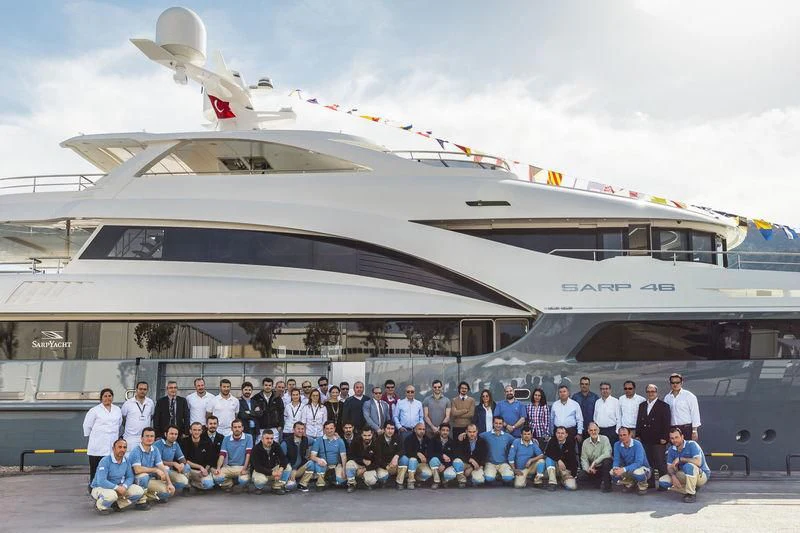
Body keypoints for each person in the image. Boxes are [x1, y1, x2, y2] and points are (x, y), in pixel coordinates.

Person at [89, 438, 147, 514]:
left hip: (119, 487)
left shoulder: (126, 460)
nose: (122, 449)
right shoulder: (105, 461)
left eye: (124, 447)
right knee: (111, 495)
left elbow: (130, 477)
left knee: (139, 491)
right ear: (113, 448)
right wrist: (117, 488)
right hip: (101, 488)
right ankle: (101, 506)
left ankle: (117, 504)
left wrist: (125, 486)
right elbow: (101, 481)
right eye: (119, 447)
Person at [658, 427, 711, 503]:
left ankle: (691, 494)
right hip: (684, 473)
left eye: (676, 437)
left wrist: (681, 459)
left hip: (701, 474)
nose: (674, 440)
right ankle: (691, 488)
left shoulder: (692, 444)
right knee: (663, 481)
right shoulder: (671, 449)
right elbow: (669, 467)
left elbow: (698, 462)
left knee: (688, 466)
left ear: (682, 437)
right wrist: (673, 476)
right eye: (672, 438)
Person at [83, 387, 123, 487]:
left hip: (111, 444)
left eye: (110, 396)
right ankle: (93, 486)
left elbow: (119, 423)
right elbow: (87, 425)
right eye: (105, 396)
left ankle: (108, 487)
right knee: (95, 469)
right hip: (97, 445)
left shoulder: (117, 409)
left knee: (109, 468)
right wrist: (94, 436)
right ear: (101, 398)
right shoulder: (94, 410)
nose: (107, 398)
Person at [636, 383, 671, 486]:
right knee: (648, 462)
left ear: (657, 392)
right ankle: (650, 483)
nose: (651, 393)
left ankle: (663, 484)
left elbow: (666, 423)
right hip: (645, 438)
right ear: (646, 393)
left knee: (660, 462)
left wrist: (665, 437)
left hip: (658, 439)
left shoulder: (663, 406)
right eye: (649, 391)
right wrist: (638, 435)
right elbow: (639, 421)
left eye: (653, 391)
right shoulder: (642, 405)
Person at [129, 427, 176, 504]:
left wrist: (169, 483)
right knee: (144, 476)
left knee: (167, 492)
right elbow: (137, 470)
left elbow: (161, 466)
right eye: (147, 436)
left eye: (152, 436)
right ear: (142, 438)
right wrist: (155, 470)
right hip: (135, 480)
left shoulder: (155, 449)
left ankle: (147, 495)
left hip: (150, 479)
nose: (149, 438)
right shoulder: (136, 450)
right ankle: (140, 501)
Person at [301, 420, 348, 490]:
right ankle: (320, 483)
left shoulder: (340, 441)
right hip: (323, 465)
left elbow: (343, 457)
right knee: (315, 464)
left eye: (331, 428)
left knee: (341, 480)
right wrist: (318, 460)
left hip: (335, 466)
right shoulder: (319, 440)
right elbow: (312, 456)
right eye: (327, 429)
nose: (329, 431)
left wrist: (344, 470)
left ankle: (330, 480)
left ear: (335, 429)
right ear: (324, 430)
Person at [213, 419, 253, 491]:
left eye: (239, 427)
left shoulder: (248, 437)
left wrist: (245, 468)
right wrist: (218, 468)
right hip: (229, 467)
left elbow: (248, 455)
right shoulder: (226, 439)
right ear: (231, 428)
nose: (237, 429)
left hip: (242, 467)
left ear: (242, 428)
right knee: (217, 477)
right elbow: (222, 455)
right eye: (235, 427)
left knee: (243, 480)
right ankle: (229, 484)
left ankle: (243, 484)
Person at [611, 426, 651, 495]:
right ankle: (630, 482)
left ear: (630, 435)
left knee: (638, 472)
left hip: (642, 468)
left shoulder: (637, 444)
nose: (622, 437)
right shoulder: (617, 444)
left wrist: (623, 469)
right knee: (612, 472)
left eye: (624, 435)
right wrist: (615, 467)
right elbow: (616, 459)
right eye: (620, 435)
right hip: (628, 468)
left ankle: (642, 486)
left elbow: (639, 463)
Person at [663, 373, 701, 442]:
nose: (675, 384)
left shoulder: (689, 396)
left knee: (687, 450)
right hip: (673, 430)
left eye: (677, 382)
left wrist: (694, 430)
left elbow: (694, 413)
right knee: (675, 450)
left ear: (681, 383)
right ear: (670, 383)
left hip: (686, 429)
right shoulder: (667, 397)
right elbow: (666, 415)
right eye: (673, 382)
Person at [153, 425, 190, 493]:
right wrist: (173, 463)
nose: (174, 436)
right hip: (158, 470)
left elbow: (182, 459)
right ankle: (162, 489)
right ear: (166, 434)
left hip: (170, 470)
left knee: (186, 467)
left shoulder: (175, 444)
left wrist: (181, 464)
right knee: (165, 468)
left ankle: (173, 486)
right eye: (171, 433)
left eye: (176, 434)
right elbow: (158, 462)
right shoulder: (158, 444)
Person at [398, 422, 435, 490]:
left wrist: (426, 457)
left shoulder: (427, 439)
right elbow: (406, 452)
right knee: (413, 460)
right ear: (415, 430)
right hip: (410, 463)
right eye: (419, 429)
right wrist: (417, 454)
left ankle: (416, 479)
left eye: (423, 429)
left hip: (421, 463)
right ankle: (410, 482)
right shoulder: (409, 438)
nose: (422, 431)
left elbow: (431, 452)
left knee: (427, 474)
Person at [539, 426, 578, 491]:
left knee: (572, 487)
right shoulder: (552, 441)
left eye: (562, 433)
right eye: (558, 433)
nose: (560, 435)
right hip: (555, 467)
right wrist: (559, 460)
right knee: (549, 459)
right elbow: (547, 453)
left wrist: (573, 474)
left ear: (566, 435)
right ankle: (552, 482)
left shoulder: (571, 442)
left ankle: (563, 480)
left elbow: (574, 459)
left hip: (566, 469)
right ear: (556, 434)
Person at [577, 422, 612, 492]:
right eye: (591, 430)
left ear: (598, 430)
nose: (593, 432)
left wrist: (595, 462)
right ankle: (596, 482)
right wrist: (588, 469)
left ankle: (607, 486)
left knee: (607, 461)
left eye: (595, 430)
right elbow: (584, 459)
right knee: (581, 475)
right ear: (588, 431)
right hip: (592, 469)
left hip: (603, 467)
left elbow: (607, 453)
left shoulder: (605, 439)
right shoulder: (585, 442)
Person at [180, 422, 215, 491]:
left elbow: (210, 460)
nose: (197, 432)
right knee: (185, 466)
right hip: (190, 470)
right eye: (194, 430)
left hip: (201, 471)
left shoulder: (207, 442)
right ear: (190, 431)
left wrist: (205, 470)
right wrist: (200, 467)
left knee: (209, 484)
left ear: (202, 431)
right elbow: (184, 460)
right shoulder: (184, 441)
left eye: (199, 430)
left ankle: (193, 483)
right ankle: (186, 485)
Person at [121, 381, 155, 452]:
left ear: (147, 390)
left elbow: (151, 416)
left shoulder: (150, 402)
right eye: (140, 389)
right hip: (130, 437)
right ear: (136, 390)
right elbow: (122, 418)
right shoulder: (128, 403)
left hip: (145, 438)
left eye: (145, 389)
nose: (142, 391)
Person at [480, 416, 515, 485]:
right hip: (490, 463)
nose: (498, 425)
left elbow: (518, 441)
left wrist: (531, 439)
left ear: (502, 425)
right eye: (496, 423)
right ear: (493, 423)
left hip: (503, 463)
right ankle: (494, 475)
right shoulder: (486, 435)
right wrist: (464, 434)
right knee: (489, 478)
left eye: (500, 423)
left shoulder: (507, 436)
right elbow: (474, 436)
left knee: (509, 478)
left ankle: (501, 476)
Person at [281, 421, 312, 492]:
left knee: (311, 464)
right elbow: (282, 459)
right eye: (298, 429)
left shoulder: (306, 439)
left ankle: (302, 484)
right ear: (293, 430)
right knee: (290, 486)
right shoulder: (285, 442)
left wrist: (335, 436)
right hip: (288, 469)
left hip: (299, 468)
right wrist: (291, 469)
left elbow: (318, 441)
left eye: (302, 429)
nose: (300, 431)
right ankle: (283, 483)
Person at [346, 426, 379, 492]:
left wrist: (365, 469)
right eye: (364, 435)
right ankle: (351, 484)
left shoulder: (377, 443)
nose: (367, 437)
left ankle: (362, 481)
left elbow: (378, 462)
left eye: (369, 435)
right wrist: (362, 460)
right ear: (361, 435)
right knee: (349, 464)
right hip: (358, 464)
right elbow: (350, 456)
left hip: (369, 467)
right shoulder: (356, 441)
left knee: (371, 481)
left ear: (372, 435)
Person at [428, 423, 459, 489]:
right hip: (436, 463)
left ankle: (444, 480)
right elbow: (429, 453)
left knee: (451, 475)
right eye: (443, 430)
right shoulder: (433, 440)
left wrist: (445, 465)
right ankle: (436, 481)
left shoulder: (452, 442)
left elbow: (453, 456)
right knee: (433, 460)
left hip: (447, 464)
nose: (445, 432)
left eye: (447, 430)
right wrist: (442, 456)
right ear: (439, 431)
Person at [375, 420, 405, 488]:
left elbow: (402, 450)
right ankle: (384, 482)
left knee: (404, 459)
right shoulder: (378, 440)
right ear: (384, 429)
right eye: (388, 428)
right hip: (383, 465)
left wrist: (396, 456)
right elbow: (377, 457)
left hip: (395, 463)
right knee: (382, 476)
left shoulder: (398, 437)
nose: (390, 431)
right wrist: (386, 466)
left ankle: (399, 482)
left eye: (392, 429)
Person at [572, 377, 599, 443]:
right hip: (579, 428)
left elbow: (598, 413)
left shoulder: (594, 397)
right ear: (580, 385)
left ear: (589, 385)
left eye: (586, 384)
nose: (584, 386)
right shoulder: (575, 397)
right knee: (580, 448)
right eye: (582, 384)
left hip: (591, 428)